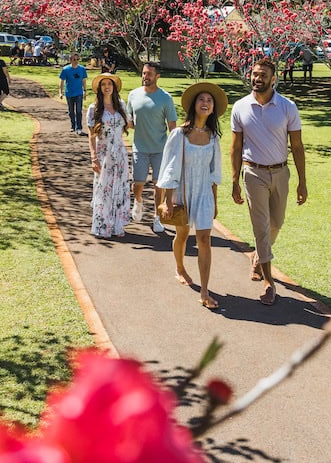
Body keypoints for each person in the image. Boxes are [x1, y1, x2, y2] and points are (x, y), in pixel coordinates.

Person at [230, 58, 308, 305]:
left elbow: (297, 146)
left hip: (281, 173)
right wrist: (234, 180)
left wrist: (302, 181)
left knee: (277, 223)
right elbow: (235, 147)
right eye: (254, 74)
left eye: (263, 75)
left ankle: (257, 257)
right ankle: (268, 282)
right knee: (261, 228)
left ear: (273, 79)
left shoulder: (287, 107)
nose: (257, 78)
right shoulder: (240, 107)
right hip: (253, 174)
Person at [157, 81, 227, 309]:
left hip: (204, 192)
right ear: (194, 104)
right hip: (182, 191)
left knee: (204, 240)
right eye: (201, 99)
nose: (205, 103)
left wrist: (215, 202)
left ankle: (205, 292)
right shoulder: (179, 134)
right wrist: (167, 201)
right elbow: (169, 167)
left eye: (209, 100)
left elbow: (214, 173)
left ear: (213, 107)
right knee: (183, 234)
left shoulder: (213, 137)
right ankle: (179, 268)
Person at [125, 62, 177, 234]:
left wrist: (175, 150)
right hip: (139, 147)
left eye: (149, 74)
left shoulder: (166, 98)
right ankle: (138, 202)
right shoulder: (133, 95)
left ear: (157, 77)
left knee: (158, 185)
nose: (145, 77)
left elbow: (172, 127)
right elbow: (129, 121)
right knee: (137, 184)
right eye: (143, 73)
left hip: (160, 149)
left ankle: (157, 217)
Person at [86, 74, 131, 238]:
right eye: (103, 84)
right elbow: (91, 136)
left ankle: (117, 224)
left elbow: (131, 124)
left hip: (120, 153)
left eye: (109, 84)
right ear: (99, 88)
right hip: (103, 153)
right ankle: (102, 225)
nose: (107, 87)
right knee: (103, 189)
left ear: (114, 87)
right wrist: (93, 157)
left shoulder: (121, 106)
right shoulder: (94, 109)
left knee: (119, 188)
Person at [59, 53, 88, 135]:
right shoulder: (65, 69)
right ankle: (73, 125)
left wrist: (85, 91)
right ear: (70, 60)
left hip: (79, 93)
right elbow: (62, 81)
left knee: (79, 111)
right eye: (74, 59)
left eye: (77, 59)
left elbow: (84, 80)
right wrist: (60, 92)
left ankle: (79, 128)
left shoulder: (82, 69)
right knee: (71, 111)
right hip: (69, 93)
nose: (76, 61)